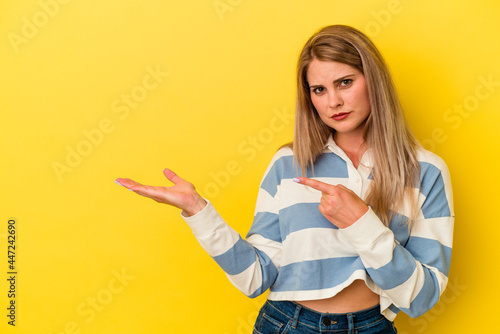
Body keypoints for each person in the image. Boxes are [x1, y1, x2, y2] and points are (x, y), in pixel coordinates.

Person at [115, 25, 454, 334]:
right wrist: (198, 211)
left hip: (371, 327)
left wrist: (361, 222)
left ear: (373, 82)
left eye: (345, 83)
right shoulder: (289, 163)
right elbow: (255, 278)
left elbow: (422, 298)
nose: (333, 101)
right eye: (318, 89)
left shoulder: (426, 171)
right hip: (286, 324)